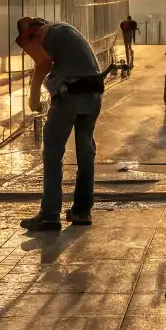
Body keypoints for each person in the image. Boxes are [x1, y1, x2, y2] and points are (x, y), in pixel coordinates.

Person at [15, 16, 105, 231]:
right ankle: (82, 212)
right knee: (85, 152)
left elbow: (43, 63)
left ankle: (49, 215)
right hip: (93, 94)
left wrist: (33, 95)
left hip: (69, 95)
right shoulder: (66, 31)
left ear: (30, 33)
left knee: (53, 155)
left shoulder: (40, 33)